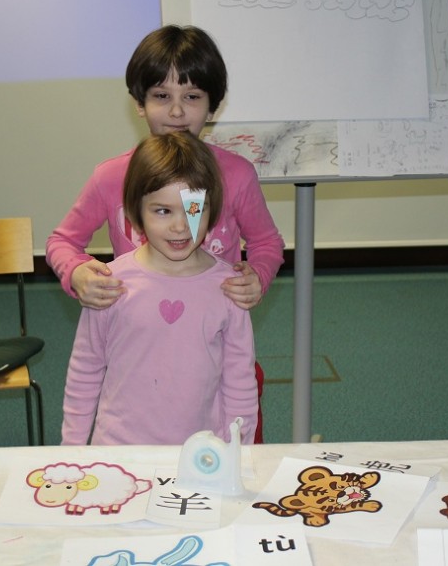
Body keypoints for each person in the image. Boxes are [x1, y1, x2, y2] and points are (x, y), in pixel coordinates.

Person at [46, 25, 283, 442]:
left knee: (234, 458)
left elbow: (266, 243)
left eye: (192, 97)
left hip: (214, 358)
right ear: (139, 103)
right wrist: (77, 272)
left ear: (213, 105)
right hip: (139, 365)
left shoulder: (236, 175)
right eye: (161, 96)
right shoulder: (111, 176)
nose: (176, 112)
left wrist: (258, 276)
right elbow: (62, 241)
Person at [61, 132, 258, 446]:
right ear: (135, 212)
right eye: (163, 211)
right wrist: (72, 447)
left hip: (200, 452)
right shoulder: (110, 283)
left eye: (194, 210)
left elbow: (240, 385)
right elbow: (85, 371)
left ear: (212, 210)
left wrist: (238, 452)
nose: (180, 227)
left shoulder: (229, 288)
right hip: (118, 449)